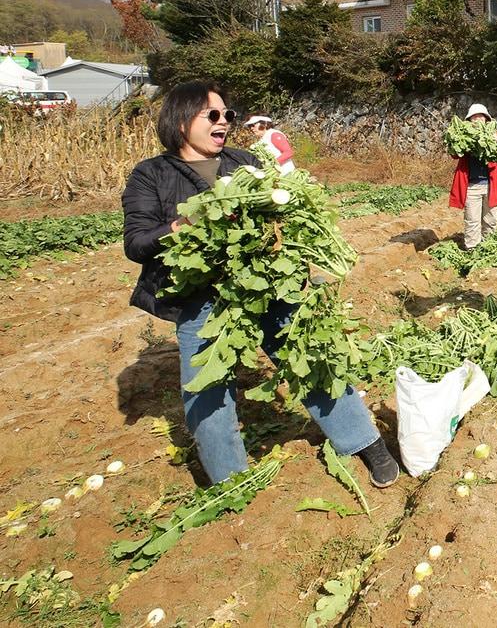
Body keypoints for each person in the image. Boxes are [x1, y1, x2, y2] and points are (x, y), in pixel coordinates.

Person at [121, 81, 399, 488]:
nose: (225, 122)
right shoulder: (153, 174)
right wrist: (184, 225)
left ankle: (365, 442)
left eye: (227, 115)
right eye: (213, 115)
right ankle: (229, 482)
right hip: (202, 298)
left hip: (266, 287)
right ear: (181, 122)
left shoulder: (244, 161)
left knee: (313, 360)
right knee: (206, 389)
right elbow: (136, 242)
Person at [448, 103, 497, 249]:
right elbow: (454, 154)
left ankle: (489, 246)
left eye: (481, 116)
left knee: (490, 219)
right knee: (472, 219)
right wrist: (459, 141)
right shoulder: (463, 135)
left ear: (486, 119)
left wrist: (494, 140)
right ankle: (472, 247)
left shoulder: (495, 134)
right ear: (469, 120)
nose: (478, 119)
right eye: (474, 117)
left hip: (491, 184)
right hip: (471, 186)